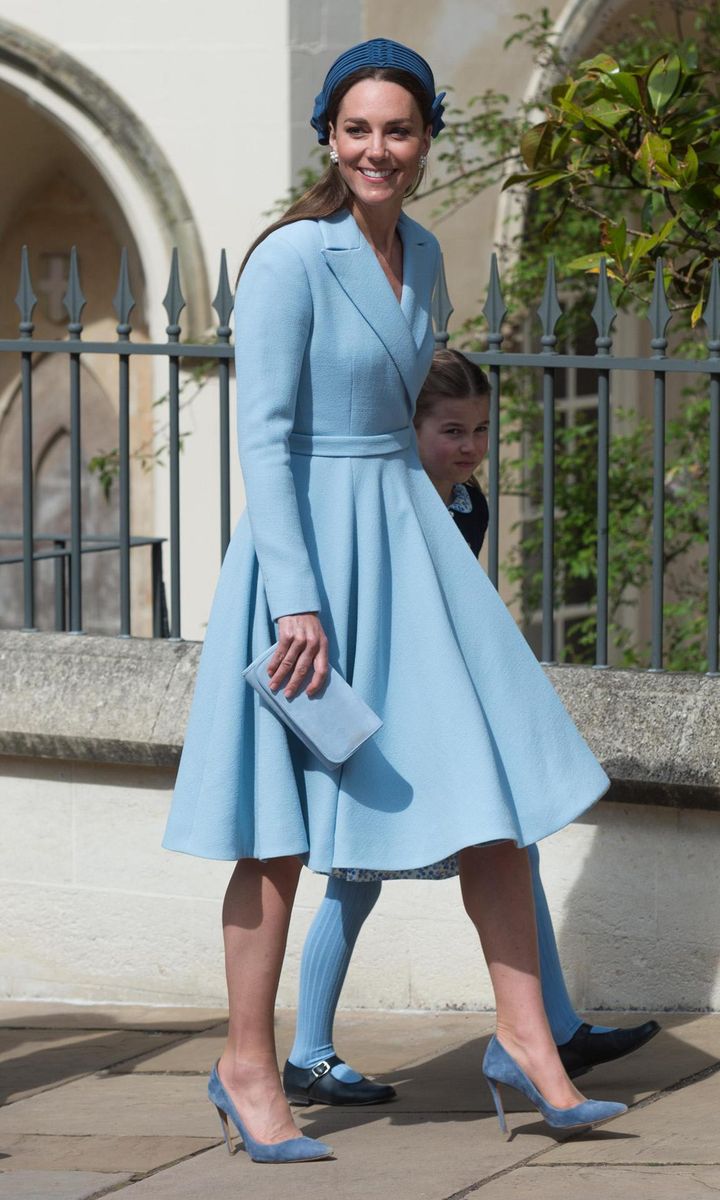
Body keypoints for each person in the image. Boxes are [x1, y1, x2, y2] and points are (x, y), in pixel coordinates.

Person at [163, 38, 627, 1163]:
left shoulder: (423, 254)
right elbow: (266, 443)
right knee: (275, 842)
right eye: (359, 128)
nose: (379, 148)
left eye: (400, 129)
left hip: (405, 544)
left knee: (494, 804)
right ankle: (247, 1067)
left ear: (425, 139)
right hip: (306, 557)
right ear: (331, 133)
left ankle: (532, 1048)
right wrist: (299, 603)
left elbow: (405, 413)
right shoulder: (289, 259)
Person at [283, 349, 659, 1108]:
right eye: (451, 429)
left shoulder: (468, 505)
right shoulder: (372, 501)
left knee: (514, 847)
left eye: (482, 430)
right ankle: (307, 1056)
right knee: (353, 878)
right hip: (380, 717)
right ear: (406, 428)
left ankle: (553, 1028)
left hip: (439, 709)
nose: (470, 447)